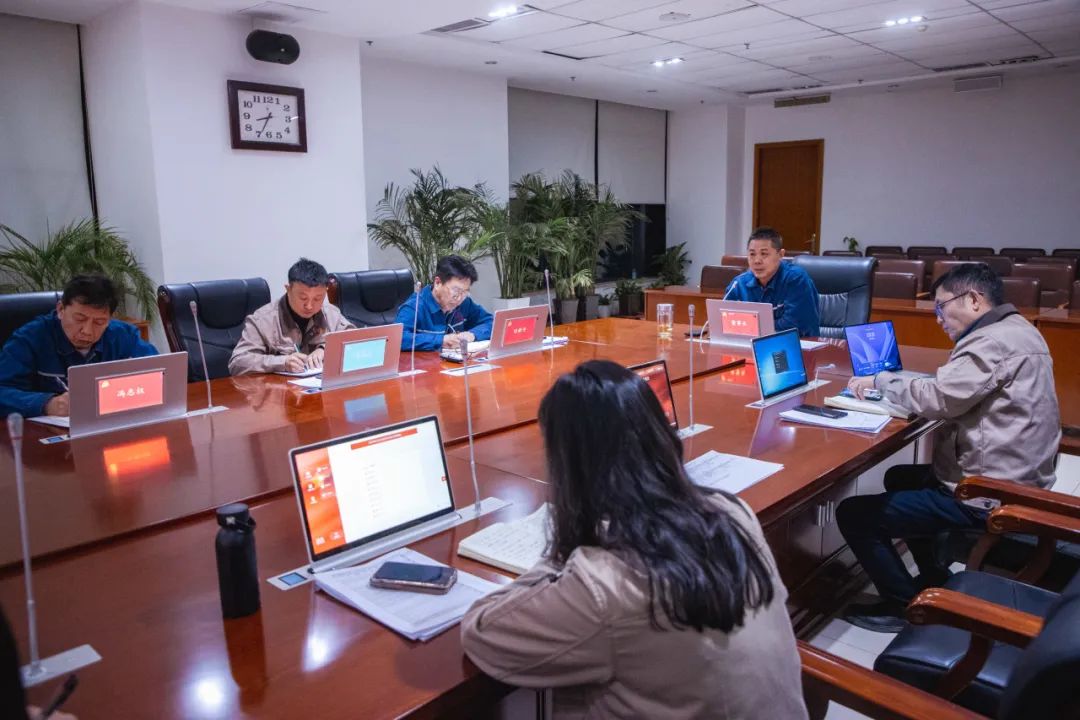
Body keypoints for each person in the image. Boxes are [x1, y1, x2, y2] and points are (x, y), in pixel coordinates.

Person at [461, 360, 808, 719]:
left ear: (571, 469)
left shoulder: (605, 581)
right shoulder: (732, 512)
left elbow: (482, 631)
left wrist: (565, 548)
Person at [838, 263, 1061, 632]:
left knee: (853, 514)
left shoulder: (990, 342)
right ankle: (933, 574)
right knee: (900, 478)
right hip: (1021, 477)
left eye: (941, 307)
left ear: (973, 300)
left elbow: (941, 398)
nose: (938, 318)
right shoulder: (1020, 329)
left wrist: (881, 380)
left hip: (988, 492)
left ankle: (900, 606)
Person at [0, 275, 158, 418]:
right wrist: (47, 404)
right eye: (80, 319)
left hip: (109, 424)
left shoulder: (123, 335)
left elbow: (159, 374)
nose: (87, 331)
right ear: (60, 309)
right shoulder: (30, 338)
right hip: (46, 433)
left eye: (99, 322)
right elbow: (3, 391)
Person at [229, 258, 353, 375]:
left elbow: (356, 344)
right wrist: (282, 362)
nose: (309, 306)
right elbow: (237, 363)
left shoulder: (331, 314)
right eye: (303, 298)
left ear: (326, 291)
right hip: (278, 388)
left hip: (318, 386)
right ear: (288, 289)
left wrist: (325, 349)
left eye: (317, 298)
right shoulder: (263, 320)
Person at [724, 226, 820, 337]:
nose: (757, 261)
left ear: (781, 255)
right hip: (750, 344)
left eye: (764, 254)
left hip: (797, 344)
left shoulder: (796, 279)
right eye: (752, 254)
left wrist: (750, 327)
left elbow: (795, 326)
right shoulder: (739, 284)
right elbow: (724, 319)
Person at [395, 255, 492, 351]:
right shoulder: (415, 306)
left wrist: (473, 334)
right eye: (456, 291)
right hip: (426, 361)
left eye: (465, 292)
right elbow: (397, 339)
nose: (459, 298)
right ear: (437, 283)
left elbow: (492, 322)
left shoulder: (465, 302)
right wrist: (441, 341)